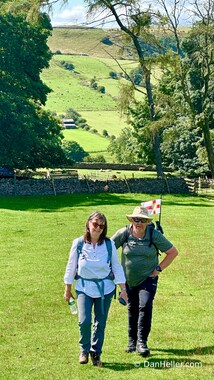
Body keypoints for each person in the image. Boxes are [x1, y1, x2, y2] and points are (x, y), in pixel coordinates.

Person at [111, 206, 178, 357]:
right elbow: (107, 249)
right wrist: (111, 269)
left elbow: (173, 252)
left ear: (147, 221)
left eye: (142, 220)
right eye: (136, 219)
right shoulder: (124, 233)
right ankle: (131, 342)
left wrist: (158, 269)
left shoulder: (154, 235)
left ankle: (142, 342)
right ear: (131, 220)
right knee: (132, 308)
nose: (139, 223)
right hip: (127, 280)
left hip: (148, 279)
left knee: (145, 306)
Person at [64, 211, 127, 367]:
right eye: (95, 224)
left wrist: (123, 289)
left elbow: (117, 267)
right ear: (88, 223)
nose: (98, 228)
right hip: (84, 287)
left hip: (105, 289)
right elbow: (71, 267)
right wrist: (67, 288)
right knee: (84, 321)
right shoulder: (78, 243)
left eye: (101, 225)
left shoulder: (108, 244)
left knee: (100, 322)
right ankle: (84, 350)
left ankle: (96, 353)